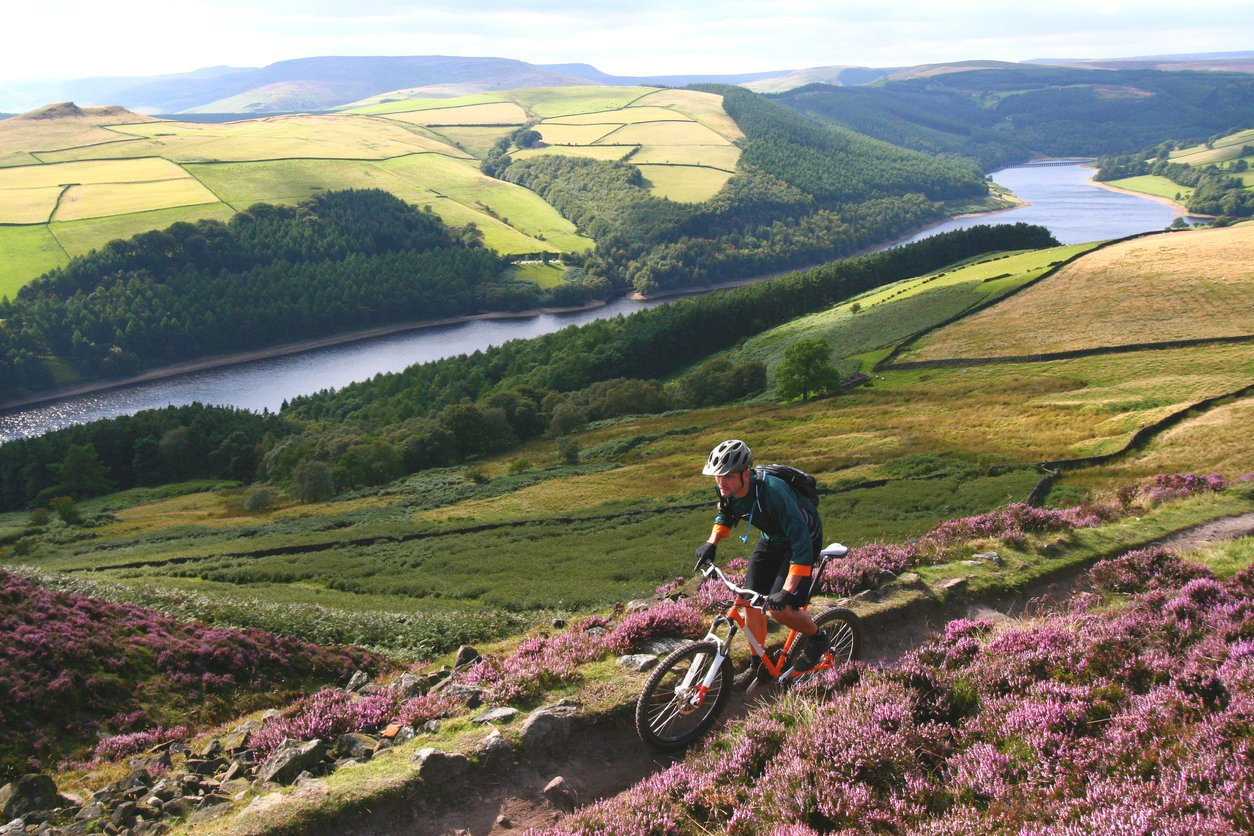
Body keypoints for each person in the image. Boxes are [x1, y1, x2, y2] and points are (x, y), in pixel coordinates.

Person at [693, 439, 829, 687]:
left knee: (780, 609)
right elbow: (726, 512)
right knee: (748, 600)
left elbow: (801, 544)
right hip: (772, 540)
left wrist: (786, 591)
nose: (721, 483)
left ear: (746, 474)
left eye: (729, 477)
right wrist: (712, 543)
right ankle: (759, 665)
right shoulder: (725, 488)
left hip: (802, 542)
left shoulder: (774, 493)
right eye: (717, 477)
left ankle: (818, 639)